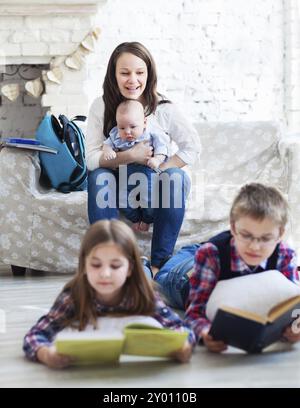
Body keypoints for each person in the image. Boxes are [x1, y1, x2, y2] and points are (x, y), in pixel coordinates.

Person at [86, 41, 200, 276]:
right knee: (98, 177)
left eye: (140, 73)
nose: (133, 80)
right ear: (113, 75)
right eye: (124, 73)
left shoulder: (163, 108)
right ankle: (112, 264)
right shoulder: (101, 106)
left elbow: (193, 147)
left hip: (155, 182)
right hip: (121, 183)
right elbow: (91, 159)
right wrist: (128, 156)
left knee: (175, 177)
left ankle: (160, 264)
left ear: (149, 74)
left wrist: (160, 168)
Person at [23, 220, 196, 368]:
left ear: (129, 268)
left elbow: (182, 329)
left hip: (135, 279)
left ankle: (143, 265)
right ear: (84, 265)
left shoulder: (143, 293)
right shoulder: (74, 295)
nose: (105, 274)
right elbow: (36, 334)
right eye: (96, 265)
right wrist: (46, 354)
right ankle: (143, 265)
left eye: (114, 266)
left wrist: (184, 347)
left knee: (147, 277)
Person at [149, 183, 300, 352]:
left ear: (280, 234)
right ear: (234, 227)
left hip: (213, 256)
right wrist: (206, 333)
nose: (255, 247)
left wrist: (294, 328)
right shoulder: (211, 254)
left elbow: (293, 306)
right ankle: (149, 264)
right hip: (180, 277)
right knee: (159, 278)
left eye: (265, 238)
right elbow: (195, 313)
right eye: (246, 235)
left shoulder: (284, 254)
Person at [102, 99, 168, 232]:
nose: (127, 132)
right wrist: (108, 150)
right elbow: (107, 144)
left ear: (144, 122)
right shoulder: (116, 134)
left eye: (132, 127)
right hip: (126, 173)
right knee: (122, 200)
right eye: (122, 127)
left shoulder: (151, 133)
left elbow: (163, 148)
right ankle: (135, 218)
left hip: (148, 172)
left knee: (148, 199)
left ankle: (147, 219)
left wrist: (157, 159)